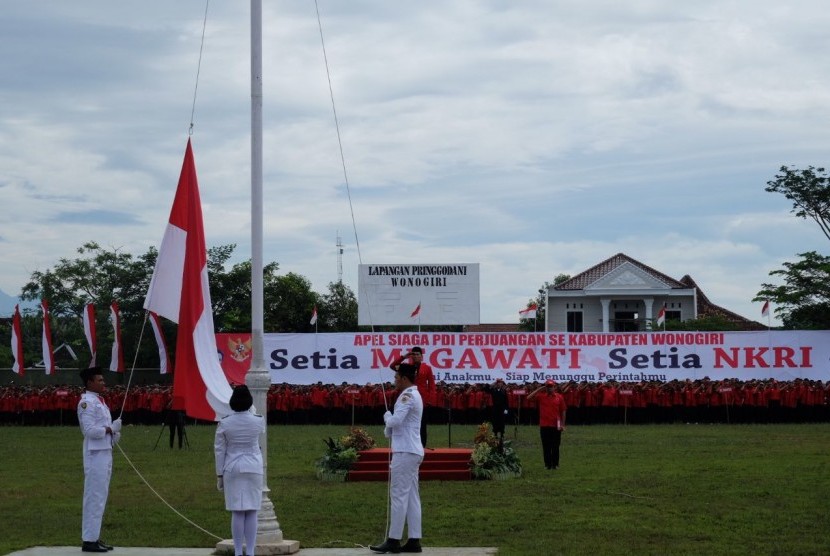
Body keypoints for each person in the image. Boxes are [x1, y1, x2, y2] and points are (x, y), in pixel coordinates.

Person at [370, 364, 424, 554]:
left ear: (403, 378)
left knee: (399, 495)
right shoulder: (414, 394)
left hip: (405, 451)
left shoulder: (406, 396)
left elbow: (395, 421)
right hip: (412, 449)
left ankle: (393, 540)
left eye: (396, 377)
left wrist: (387, 417)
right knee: (411, 496)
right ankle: (414, 539)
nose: (394, 380)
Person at [215, 385, 266, 556]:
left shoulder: (225, 422)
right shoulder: (258, 419)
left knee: (237, 511)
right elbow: (256, 427)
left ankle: (238, 551)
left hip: (232, 467)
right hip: (253, 465)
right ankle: (250, 551)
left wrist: (219, 474)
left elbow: (220, 451)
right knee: (252, 510)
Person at [77, 366, 121, 553]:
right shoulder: (86, 403)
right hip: (95, 454)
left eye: (103, 380)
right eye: (99, 380)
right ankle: (89, 540)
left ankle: (93, 536)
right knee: (94, 496)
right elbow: (89, 431)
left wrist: (115, 431)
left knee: (101, 497)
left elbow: (103, 431)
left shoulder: (101, 402)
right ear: (89, 383)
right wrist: (110, 429)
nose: (103, 383)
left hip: (105, 451)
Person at [389, 346, 434, 447]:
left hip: (422, 399)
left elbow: (431, 385)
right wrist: (403, 357)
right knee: (406, 421)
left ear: (421, 357)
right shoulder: (407, 367)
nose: (415, 357)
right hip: (408, 397)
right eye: (413, 354)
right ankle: (407, 443)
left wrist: (430, 400)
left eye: (417, 355)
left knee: (422, 423)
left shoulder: (427, 368)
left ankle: (422, 445)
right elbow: (393, 366)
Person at [527, 379, 567, 470]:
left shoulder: (559, 397)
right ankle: (547, 465)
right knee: (546, 446)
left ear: (554, 387)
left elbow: (563, 411)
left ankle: (555, 464)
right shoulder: (541, 396)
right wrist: (539, 389)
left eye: (551, 386)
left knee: (555, 446)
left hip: (556, 426)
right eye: (548, 387)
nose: (549, 388)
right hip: (544, 425)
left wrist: (563, 424)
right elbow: (528, 398)